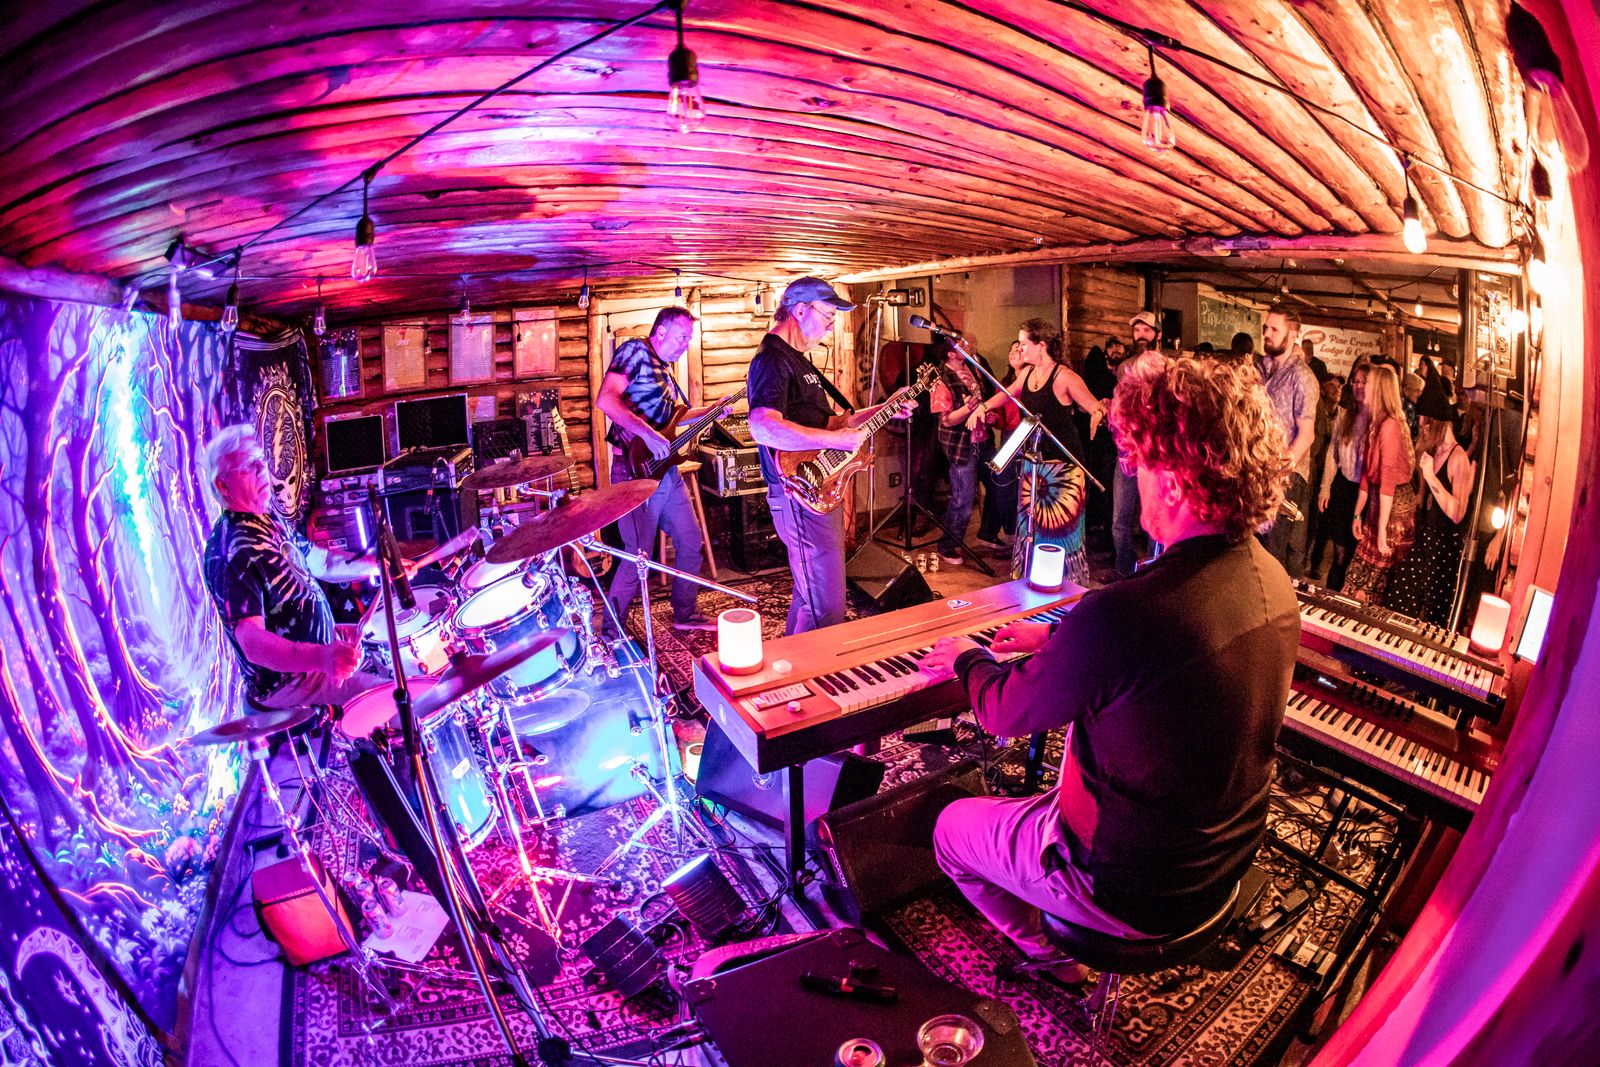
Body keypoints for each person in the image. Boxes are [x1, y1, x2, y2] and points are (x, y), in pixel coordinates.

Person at [922, 354, 1298, 982]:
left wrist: (968, 657)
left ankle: (1052, 954)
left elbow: (1003, 713)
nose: (1130, 472)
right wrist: (1058, 637)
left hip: (1127, 888)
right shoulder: (1273, 578)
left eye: (1138, 461)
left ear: (1173, 481)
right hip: (1219, 865)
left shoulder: (1126, 615)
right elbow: (1163, 662)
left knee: (951, 829)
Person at [202, 424, 405, 710]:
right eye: (249, 466)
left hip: (315, 658)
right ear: (223, 486)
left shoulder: (267, 518)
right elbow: (252, 642)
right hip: (290, 682)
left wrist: (379, 566)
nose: (262, 470)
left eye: (261, 460)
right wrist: (321, 657)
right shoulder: (231, 551)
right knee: (392, 700)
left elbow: (321, 562)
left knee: (398, 664)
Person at [747, 277, 908, 634]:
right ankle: (814, 667)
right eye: (828, 315)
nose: (832, 325)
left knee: (812, 597)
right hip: (799, 493)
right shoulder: (772, 359)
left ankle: (792, 662)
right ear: (799, 310)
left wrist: (885, 409)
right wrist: (835, 440)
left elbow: (834, 424)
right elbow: (762, 426)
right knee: (826, 609)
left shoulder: (798, 361)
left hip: (818, 490)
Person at [598, 306, 714, 632]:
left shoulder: (665, 369)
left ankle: (685, 613)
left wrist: (714, 410)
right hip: (632, 471)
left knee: (690, 541)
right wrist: (647, 434)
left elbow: (678, 419)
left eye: (689, 339)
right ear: (661, 331)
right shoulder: (635, 351)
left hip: (666, 472)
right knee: (638, 555)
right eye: (682, 337)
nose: (685, 345)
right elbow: (606, 400)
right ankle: (611, 630)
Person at [999, 318, 1104, 585]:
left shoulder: (1065, 376)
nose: (1019, 348)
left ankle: (1064, 586)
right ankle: (1030, 580)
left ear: (1041, 345)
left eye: (1024, 343)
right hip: (1034, 465)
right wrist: (982, 407)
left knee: (1060, 530)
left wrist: (1097, 413)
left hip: (1063, 468)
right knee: (1030, 526)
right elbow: (1008, 393)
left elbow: (1093, 405)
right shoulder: (1027, 374)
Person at [1387, 374, 1475, 625]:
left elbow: (1458, 513)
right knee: (1399, 599)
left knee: (1435, 617)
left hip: (1444, 549)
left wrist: (1431, 477)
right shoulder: (1434, 450)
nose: (1421, 425)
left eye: (1424, 420)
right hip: (1425, 540)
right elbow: (1422, 500)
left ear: (1436, 423)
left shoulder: (1458, 458)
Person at [1343, 364, 1417, 605]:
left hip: (1393, 510)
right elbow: (1367, 475)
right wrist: (1357, 514)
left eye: (1368, 383)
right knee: (1355, 579)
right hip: (1379, 504)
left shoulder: (1390, 426)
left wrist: (1382, 532)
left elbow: (1387, 484)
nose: (1363, 387)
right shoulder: (1375, 422)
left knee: (1370, 587)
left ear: (1379, 389)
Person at [1257, 306, 1320, 579]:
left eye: (1274, 329)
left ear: (1293, 334)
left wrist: (1279, 471)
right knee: (1253, 546)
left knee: (1273, 552)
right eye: (1266, 328)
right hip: (1258, 468)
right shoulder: (1261, 368)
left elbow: (1307, 435)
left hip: (1286, 476)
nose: (1267, 334)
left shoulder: (1303, 377)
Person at [1312, 359, 1372, 589]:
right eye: (1355, 381)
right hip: (1343, 488)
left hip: (1365, 492)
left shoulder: (1376, 420)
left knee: (1355, 555)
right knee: (1339, 552)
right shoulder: (1346, 416)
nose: (1358, 386)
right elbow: (1332, 454)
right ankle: (1332, 595)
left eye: (1363, 382)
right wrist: (1325, 488)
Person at [928, 336, 987, 565]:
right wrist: (967, 409)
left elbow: (982, 398)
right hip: (961, 443)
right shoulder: (940, 379)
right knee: (963, 498)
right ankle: (947, 546)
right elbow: (946, 420)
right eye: (961, 344)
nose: (968, 346)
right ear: (951, 353)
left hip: (981, 438)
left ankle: (989, 533)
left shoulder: (973, 369)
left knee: (999, 483)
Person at [1112, 311, 1160, 578]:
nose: (1141, 335)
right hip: (1126, 452)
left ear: (1157, 335)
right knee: (1119, 520)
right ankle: (1125, 573)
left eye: (1147, 330)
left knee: (1154, 519)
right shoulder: (1124, 367)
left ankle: (1152, 576)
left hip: (1154, 454)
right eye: (1137, 330)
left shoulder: (1166, 367)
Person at [974, 340, 1024, 552]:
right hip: (1009, 437)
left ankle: (1023, 537)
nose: (1013, 353)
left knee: (1025, 488)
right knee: (1004, 485)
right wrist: (994, 419)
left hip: (1030, 436)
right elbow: (1002, 421)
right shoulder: (1002, 384)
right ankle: (1011, 535)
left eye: (1018, 349)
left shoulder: (1033, 381)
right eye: (1011, 350)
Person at [1401, 371, 1424, 440]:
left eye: (1421, 391)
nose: (1420, 394)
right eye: (1417, 390)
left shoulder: (1414, 405)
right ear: (1406, 390)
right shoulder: (1406, 406)